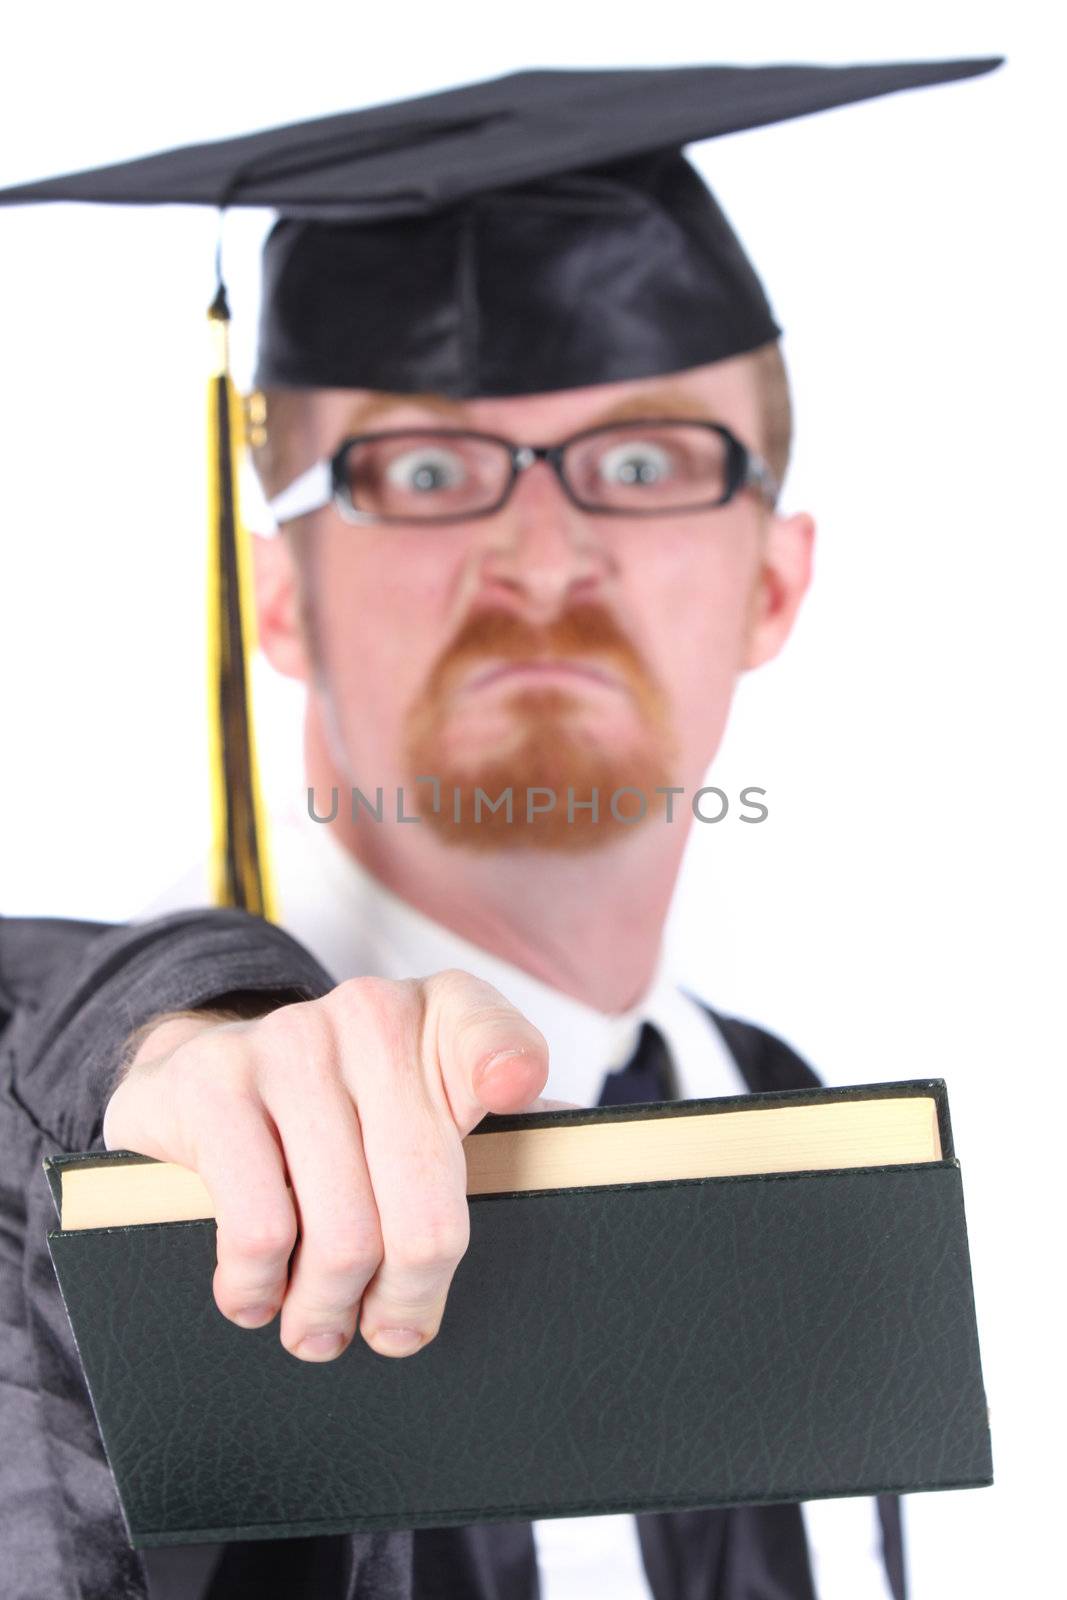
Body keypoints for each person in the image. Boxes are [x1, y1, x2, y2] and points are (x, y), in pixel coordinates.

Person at [0, 59, 1000, 1600]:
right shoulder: (120, 1165)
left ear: (777, 584)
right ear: (278, 593)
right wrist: (158, 1042)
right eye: (423, 469)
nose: (542, 552)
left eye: (648, 460)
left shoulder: (784, 1129)